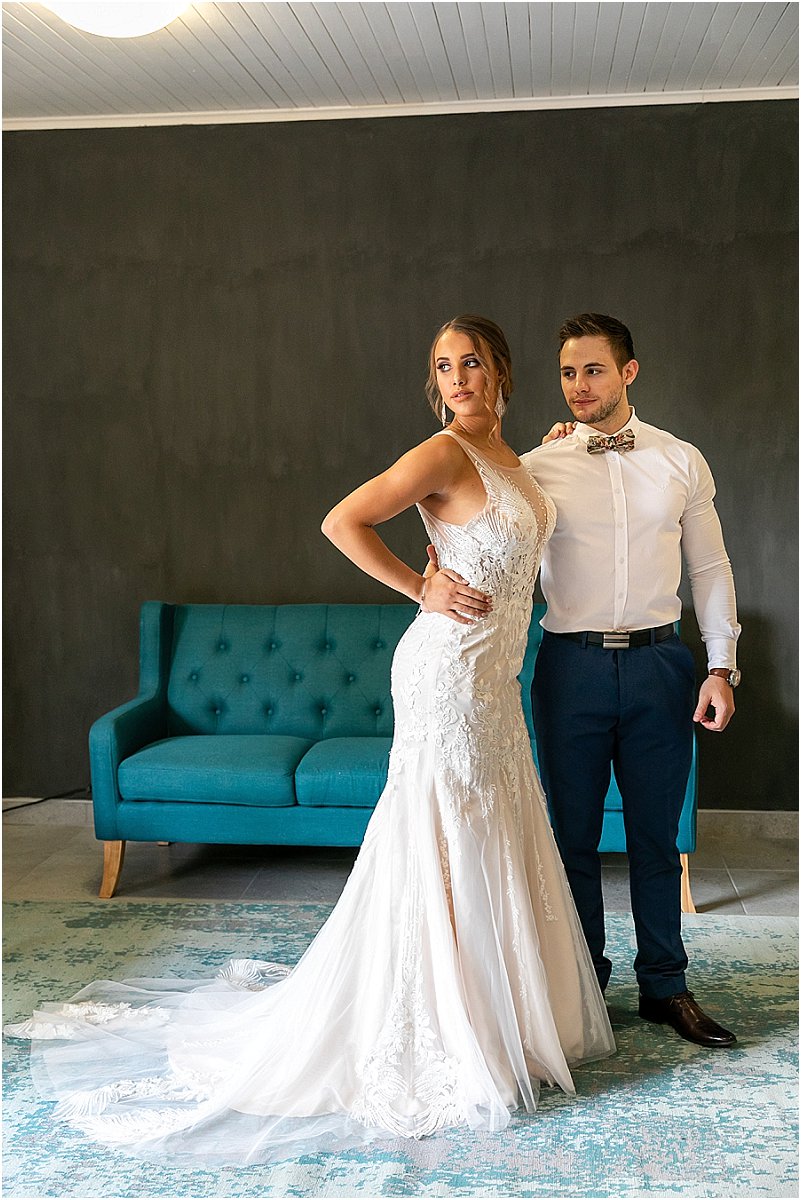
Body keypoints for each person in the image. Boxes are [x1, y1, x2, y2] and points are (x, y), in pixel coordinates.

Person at [5, 316, 614, 1164]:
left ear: (500, 371)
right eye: (443, 366)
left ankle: (499, 1011)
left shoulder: (514, 459)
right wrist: (419, 588)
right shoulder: (441, 454)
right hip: (446, 674)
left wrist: (552, 446)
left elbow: (520, 525)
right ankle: (445, 1027)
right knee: (447, 837)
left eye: (471, 362)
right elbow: (342, 521)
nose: (457, 377)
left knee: (493, 833)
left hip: (495, 683)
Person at [424, 313, 740, 1049]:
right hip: (570, 669)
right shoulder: (534, 466)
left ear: (628, 373)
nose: (578, 387)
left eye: (593, 371)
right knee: (571, 840)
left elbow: (709, 568)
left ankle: (665, 985)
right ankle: (582, 986)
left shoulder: (681, 460)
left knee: (656, 839)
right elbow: (469, 533)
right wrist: (429, 581)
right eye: (567, 373)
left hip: (661, 666)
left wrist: (720, 666)